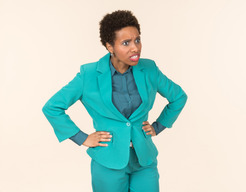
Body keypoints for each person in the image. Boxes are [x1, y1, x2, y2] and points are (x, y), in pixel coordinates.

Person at [42, 10, 187, 192]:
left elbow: (178, 97)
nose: (135, 48)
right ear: (110, 47)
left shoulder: (149, 69)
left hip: (144, 160)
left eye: (137, 40)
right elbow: (52, 107)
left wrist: (158, 127)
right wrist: (82, 138)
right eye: (126, 43)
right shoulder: (89, 74)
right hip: (107, 162)